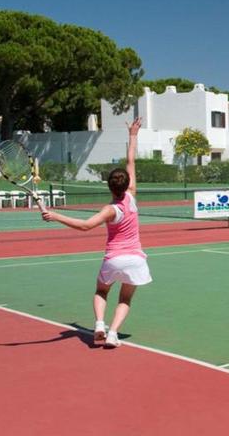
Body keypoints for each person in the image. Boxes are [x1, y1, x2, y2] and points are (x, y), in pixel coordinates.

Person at [41, 118, 152, 347]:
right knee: (125, 299)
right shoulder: (132, 195)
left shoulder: (109, 210)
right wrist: (133, 135)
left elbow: (84, 226)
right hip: (136, 259)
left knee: (101, 292)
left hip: (113, 259)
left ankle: (100, 324)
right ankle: (113, 334)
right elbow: (131, 159)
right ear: (127, 183)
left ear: (109, 186)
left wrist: (55, 215)